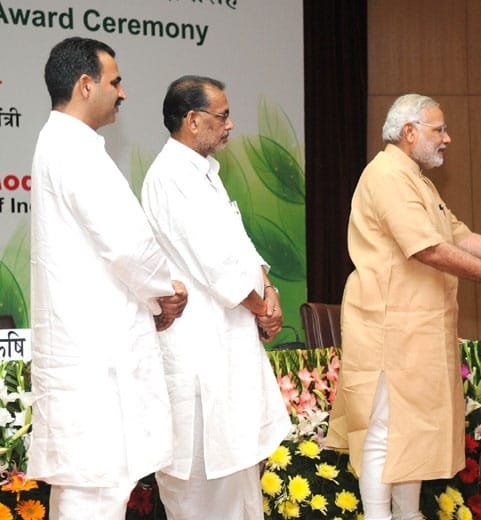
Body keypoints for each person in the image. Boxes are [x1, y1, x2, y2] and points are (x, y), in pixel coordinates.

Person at [326, 93, 481, 520]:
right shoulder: (388, 174)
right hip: (389, 326)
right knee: (384, 432)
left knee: (413, 434)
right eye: (438, 129)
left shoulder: (417, 179)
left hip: (418, 328)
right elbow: (428, 249)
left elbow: (460, 238)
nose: (448, 138)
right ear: (409, 133)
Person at [28, 37, 188, 518]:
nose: (122, 93)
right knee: (95, 491)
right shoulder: (73, 149)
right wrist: (167, 292)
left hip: (90, 353)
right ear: (84, 85)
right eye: (114, 82)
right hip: (95, 359)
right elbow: (126, 243)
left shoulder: (64, 143)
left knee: (91, 490)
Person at [140, 76, 291, 519]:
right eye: (221, 116)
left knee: (240, 495)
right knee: (204, 497)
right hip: (200, 360)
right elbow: (215, 265)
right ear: (191, 120)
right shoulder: (169, 177)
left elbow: (241, 247)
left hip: (229, 355)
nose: (230, 125)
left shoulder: (206, 174)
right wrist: (262, 308)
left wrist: (271, 289)